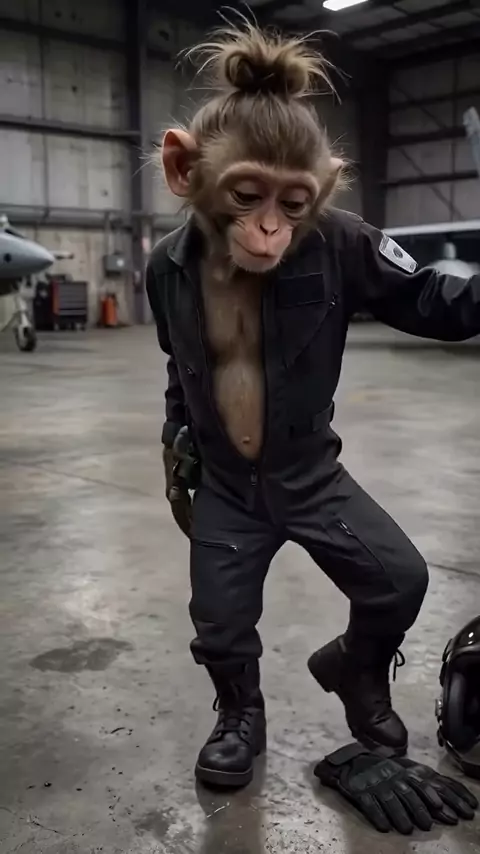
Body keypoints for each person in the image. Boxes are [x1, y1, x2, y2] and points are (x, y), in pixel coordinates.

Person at [145, 22, 480, 788]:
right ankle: (241, 714)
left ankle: (357, 669)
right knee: (219, 620)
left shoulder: (337, 242)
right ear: (185, 168)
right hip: (227, 483)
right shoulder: (167, 268)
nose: (271, 225)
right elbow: (178, 365)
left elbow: (430, 299)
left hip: (309, 473)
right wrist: (175, 442)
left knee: (400, 579)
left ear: (321, 189)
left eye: (293, 202)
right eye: (247, 196)